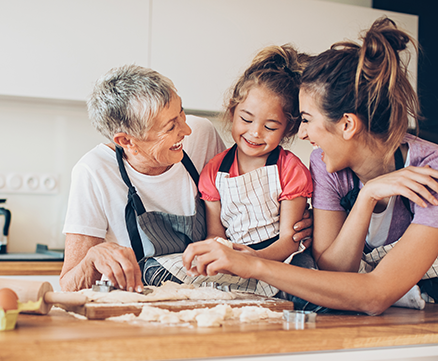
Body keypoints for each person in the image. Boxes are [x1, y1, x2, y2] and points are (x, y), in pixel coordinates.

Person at [182, 17, 438, 315]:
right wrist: (367, 198)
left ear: (346, 124)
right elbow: (335, 270)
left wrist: (253, 264)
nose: (301, 134)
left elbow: (375, 295)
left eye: (306, 119)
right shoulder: (326, 164)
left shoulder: (430, 170)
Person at [60, 65, 312, 293]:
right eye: (171, 127)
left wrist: (293, 226)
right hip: (144, 305)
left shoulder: (201, 135)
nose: (186, 129)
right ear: (127, 141)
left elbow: (241, 205)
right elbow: (68, 283)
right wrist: (93, 258)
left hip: (213, 294)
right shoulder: (93, 172)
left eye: (181, 113)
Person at [184, 45, 312, 297]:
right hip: (233, 258)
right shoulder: (213, 171)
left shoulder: (290, 169)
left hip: (280, 261)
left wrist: (254, 260)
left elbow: (290, 239)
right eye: (246, 119)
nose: (255, 132)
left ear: (288, 129)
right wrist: (223, 257)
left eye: (271, 126)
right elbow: (215, 235)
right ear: (232, 111)